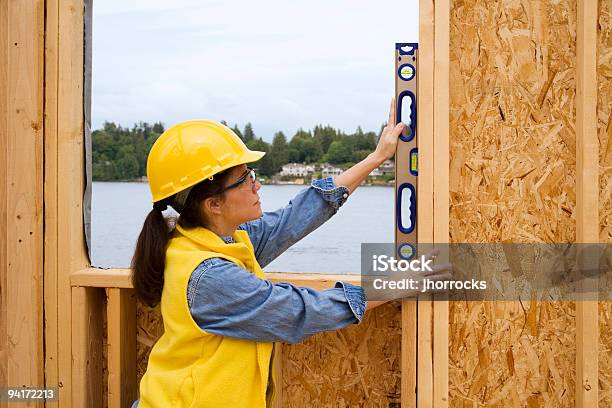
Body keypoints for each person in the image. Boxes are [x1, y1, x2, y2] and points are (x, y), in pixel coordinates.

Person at [130, 102, 450, 408]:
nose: (257, 187)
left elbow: (294, 218)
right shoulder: (211, 276)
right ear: (213, 204)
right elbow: (298, 311)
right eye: (245, 180)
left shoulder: (214, 241)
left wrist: (376, 157)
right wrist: (393, 285)